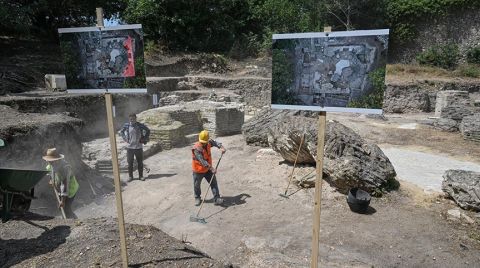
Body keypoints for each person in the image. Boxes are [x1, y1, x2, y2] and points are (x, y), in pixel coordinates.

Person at [191, 130, 226, 206]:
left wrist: (221, 147)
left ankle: (216, 199)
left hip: (208, 169)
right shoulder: (196, 148)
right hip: (198, 170)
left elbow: (216, 143)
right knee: (197, 185)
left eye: (205, 142)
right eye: (202, 142)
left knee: (213, 183)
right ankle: (197, 197)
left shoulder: (208, 142)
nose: (203, 143)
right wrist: (212, 168)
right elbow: (202, 161)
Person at [43, 148, 79, 219]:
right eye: (49, 161)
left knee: (66, 208)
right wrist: (51, 180)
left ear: (57, 159)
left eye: (52, 161)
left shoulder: (65, 168)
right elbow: (50, 173)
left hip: (70, 189)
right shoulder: (50, 165)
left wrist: (62, 201)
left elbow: (64, 185)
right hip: (59, 189)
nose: (50, 162)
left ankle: (74, 220)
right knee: (60, 207)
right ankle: (65, 219)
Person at [119, 113, 150, 182]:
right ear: (129, 119)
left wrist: (144, 138)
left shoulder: (140, 125)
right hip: (130, 148)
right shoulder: (126, 125)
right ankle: (130, 177)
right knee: (130, 163)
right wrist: (125, 139)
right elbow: (121, 132)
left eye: (133, 118)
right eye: (131, 119)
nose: (132, 120)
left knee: (140, 163)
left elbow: (148, 130)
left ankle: (141, 176)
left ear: (136, 118)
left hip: (139, 147)